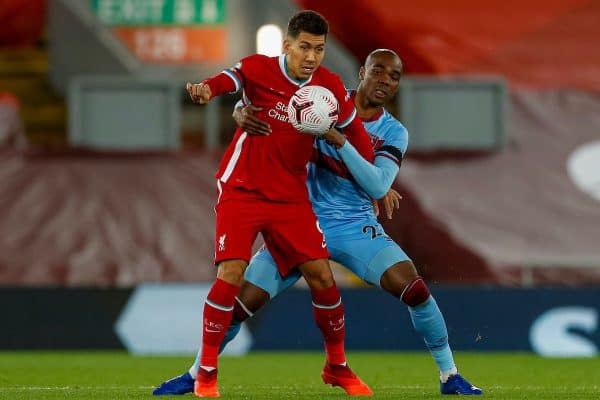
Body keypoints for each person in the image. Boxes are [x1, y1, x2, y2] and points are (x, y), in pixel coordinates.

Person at [154, 48, 484, 396]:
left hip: (352, 225)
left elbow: (376, 184)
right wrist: (239, 111)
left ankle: (449, 375)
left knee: (415, 290)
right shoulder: (320, 99)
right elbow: (270, 105)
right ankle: (196, 374)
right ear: (362, 73)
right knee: (239, 307)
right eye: (378, 71)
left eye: (394, 76)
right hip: (297, 219)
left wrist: (343, 145)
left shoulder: (393, 132)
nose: (385, 80)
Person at [180, 10, 376, 398]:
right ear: (287, 46)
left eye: (319, 49)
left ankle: (336, 366)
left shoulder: (329, 87)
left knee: (322, 277)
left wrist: (371, 173)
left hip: (290, 197)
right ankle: (206, 373)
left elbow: (357, 136)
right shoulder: (258, 69)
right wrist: (206, 89)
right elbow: (226, 80)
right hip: (242, 189)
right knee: (231, 274)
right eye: (304, 47)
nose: (311, 56)